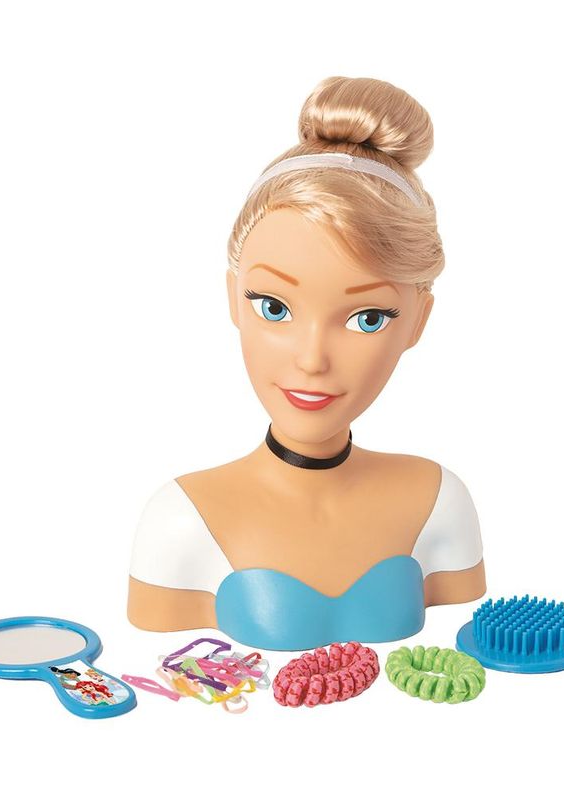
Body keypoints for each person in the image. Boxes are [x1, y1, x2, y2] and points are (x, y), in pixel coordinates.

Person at [127, 76, 486, 650]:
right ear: (233, 300)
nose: (312, 359)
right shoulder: (182, 522)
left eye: (367, 318)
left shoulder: (439, 502)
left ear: (418, 321)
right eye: (273, 307)